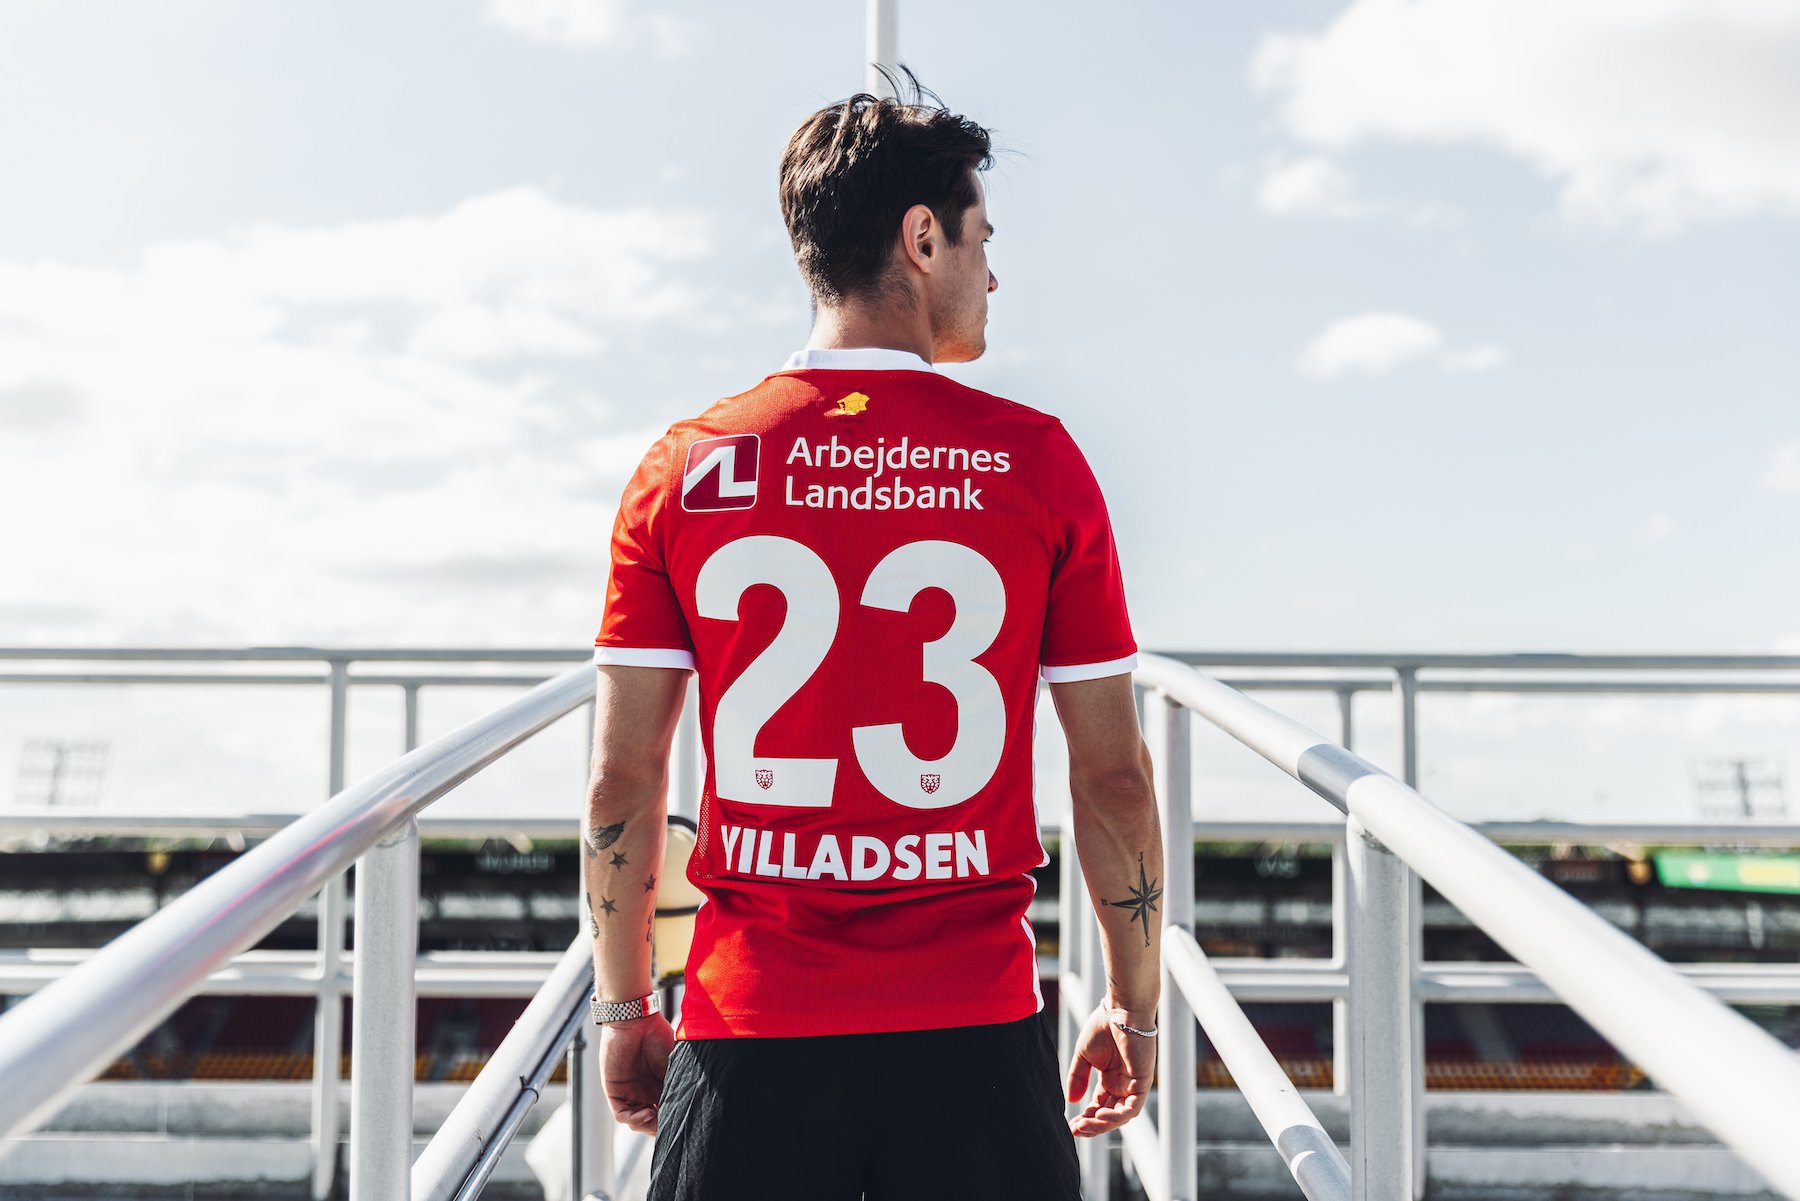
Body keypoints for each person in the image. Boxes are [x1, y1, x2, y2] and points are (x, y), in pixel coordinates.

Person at [581, 72, 1164, 1200]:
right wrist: (1133, 1010)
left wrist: (625, 1004)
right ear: (922, 238)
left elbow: (624, 774)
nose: (993, 274)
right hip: (974, 1028)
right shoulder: (1037, 461)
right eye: (982, 240)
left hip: (750, 1026)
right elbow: (1113, 777)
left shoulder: (685, 465)